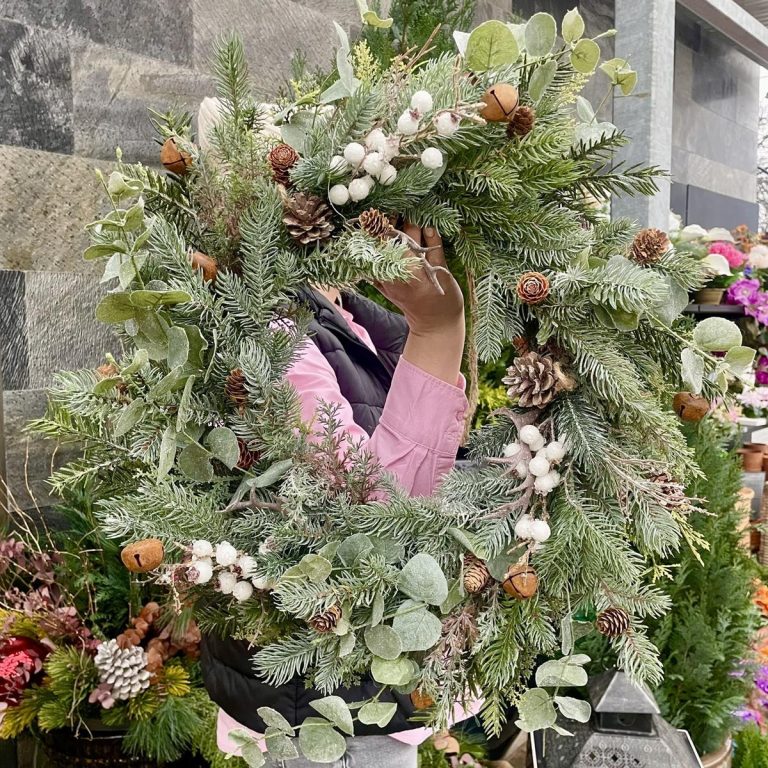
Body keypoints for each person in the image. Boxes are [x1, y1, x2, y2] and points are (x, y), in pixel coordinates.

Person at [200, 224, 471, 767]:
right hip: (325, 711)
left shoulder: (360, 319)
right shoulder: (270, 326)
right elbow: (374, 514)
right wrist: (439, 332)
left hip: (364, 693)